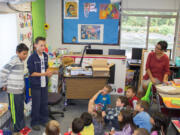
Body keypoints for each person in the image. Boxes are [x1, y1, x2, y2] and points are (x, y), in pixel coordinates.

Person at [0, 43, 29, 133]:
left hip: (19, 91)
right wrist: (4, 84)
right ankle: (17, 129)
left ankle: (21, 127)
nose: (25, 56)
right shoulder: (14, 60)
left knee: (20, 109)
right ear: (17, 52)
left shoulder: (20, 61)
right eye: (24, 54)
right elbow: (3, 72)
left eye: (26, 54)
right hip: (13, 92)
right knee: (15, 111)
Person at [27, 37, 53, 131]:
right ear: (35, 45)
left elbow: (46, 67)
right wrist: (44, 74)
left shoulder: (45, 56)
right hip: (35, 85)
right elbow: (32, 73)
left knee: (44, 103)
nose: (43, 47)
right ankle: (34, 122)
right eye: (41, 45)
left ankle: (43, 120)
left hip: (44, 84)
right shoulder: (31, 58)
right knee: (36, 104)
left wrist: (48, 72)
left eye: (44, 45)